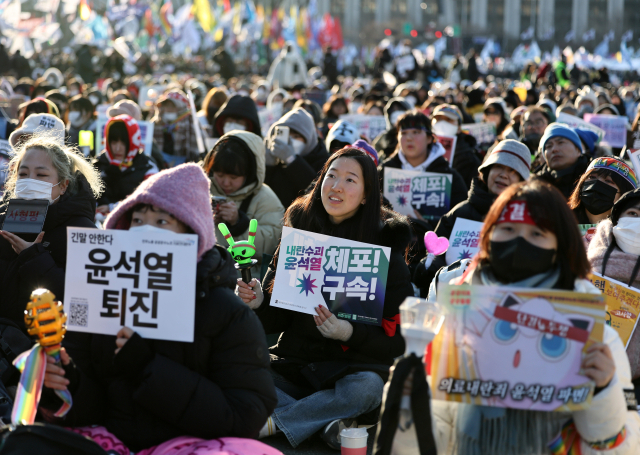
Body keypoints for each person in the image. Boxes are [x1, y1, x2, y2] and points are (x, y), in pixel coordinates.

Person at [42, 164, 279, 455]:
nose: (144, 232)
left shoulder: (225, 311)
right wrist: (65, 386)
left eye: (162, 222)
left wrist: (148, 368)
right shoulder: (99, 297)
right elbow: (94, 409)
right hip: (112, 444)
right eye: (137, 220)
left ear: (191, 233)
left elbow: (246, 415)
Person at [432, 179, 640, 455]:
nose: (520, 242)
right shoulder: (463, 315)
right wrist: (409, 400)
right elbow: (434, 424)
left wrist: (604, 391)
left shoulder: (591, 328)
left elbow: (624, 446)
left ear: (561, 246)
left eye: (537, 234)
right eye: (507, 229)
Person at [236, 148, 414, 449]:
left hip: (349, 372)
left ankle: (275, 422)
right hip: (292, 365)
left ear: (367, 195)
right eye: (330, 176)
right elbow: (276, 316)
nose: (336, 186)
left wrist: (349, 333)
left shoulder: (386, 254)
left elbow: (397, 339)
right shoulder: (299, 237)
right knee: (237, 367)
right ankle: (327, 423)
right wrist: (258, 302)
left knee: (368, 390)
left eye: (349, 179)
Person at [0, 135, 102, 332]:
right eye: (23, 174)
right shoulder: (4, 220)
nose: (30, 181)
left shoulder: (81, 231)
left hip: (46, 346)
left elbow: (85, 303)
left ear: (63, 185)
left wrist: (34, 258)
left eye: (41, 175)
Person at [414, 139, 531, 296]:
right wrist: (430, 267)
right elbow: (437, 253)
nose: (503, 175)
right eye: (498, 167)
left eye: (513, 171)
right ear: (487, 171)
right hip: (452, 298)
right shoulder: (460, 212)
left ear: (521, 182)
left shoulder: (526, 220)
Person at [378, 110, 468, 270]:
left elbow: (461, 222)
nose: (409, 138)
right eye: (403, 132)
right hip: (387, 255)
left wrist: (430, 226)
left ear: (429, 138)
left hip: (434, 260)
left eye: (416, 132)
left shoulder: (449, 176)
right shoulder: (382, 173)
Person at [202, 131, 284, 278]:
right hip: (204, 271)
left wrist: (239, 223)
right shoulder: (201, 188)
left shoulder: (264, 198)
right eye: (219, 175)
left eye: (234, 177)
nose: (226, 183)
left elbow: (272, 244)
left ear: (250, 173)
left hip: (244, 278)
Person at [588, 188, 640, 399]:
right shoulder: (584, 267)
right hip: (583, 372)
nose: (638, 222)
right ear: (617, 220)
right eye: (633, 214)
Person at [264, 108, 329, 208]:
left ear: (309, 138)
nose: (290, 140)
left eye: (296, 136)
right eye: (286, 135)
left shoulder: (322, 159)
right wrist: (268, 166)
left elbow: (315, 190)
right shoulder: (272, 155)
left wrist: (291, 160)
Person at [94, 115, 159, 216]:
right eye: (114, 142)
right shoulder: (99, 162)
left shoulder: (147, 166)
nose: (118, 148)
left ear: (133, 141)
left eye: (124, 143)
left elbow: (151, 199)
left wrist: (113, 208)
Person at [568, 157, 637, 225]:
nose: (597, 183)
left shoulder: (631, 231)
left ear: (624, 194)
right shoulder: (561, 220)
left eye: (608, 181)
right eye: (592, 177)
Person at [431, 104, 482, 188]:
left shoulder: (469, 158)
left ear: (459, 128)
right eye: (438, 119)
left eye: (448, 119)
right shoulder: (422, 150)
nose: (442, 123)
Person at [536, 123, 592, 199]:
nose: (554, 149)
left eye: (560, 142)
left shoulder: (594, 177)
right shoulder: (536, 185)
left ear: (578, 150)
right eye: (549, 146)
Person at [150, 89, 200, 166]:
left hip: (184, 164)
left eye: (173, 106)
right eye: (167, 105)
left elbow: (196, 148)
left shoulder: (191, 122)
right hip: (160, 164)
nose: (169, 109)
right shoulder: (156, 123)